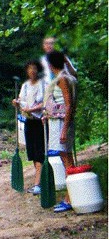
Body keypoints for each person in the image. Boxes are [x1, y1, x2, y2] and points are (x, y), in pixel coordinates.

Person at [43, 49, 77, 212]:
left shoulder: (62, 78)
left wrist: (64, 129)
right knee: (66, 159)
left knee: (66, 160)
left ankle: (71, 198)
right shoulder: (69, 76)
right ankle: (72, 195)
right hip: (59, 121)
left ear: (50, 65)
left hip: (63, 123)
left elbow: (69, 104)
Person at [12, 60, 45, 194]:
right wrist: (16, 103)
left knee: (39, 152)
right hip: (28, 121)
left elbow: (44, 102)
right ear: (27, 71)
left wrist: (31, 109)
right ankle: (38, 182)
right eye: (30, 69)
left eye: (34, 68)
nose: (32, 71)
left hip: (39, 121)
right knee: (32, 153)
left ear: (37, 70)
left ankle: (38, 184)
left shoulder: (42, 84)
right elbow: (20, 101)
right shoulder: (25, 85)